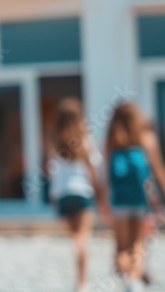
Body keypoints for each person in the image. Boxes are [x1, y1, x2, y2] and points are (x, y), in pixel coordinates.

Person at [46, 97, 110, 292]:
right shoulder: (85, 140)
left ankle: (75, 277)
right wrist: (101, 197)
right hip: (82, 192)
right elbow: (93, 171)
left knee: (74, 237)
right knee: (83, 239)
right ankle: (82, 283)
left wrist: (53, 197)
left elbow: (52, 172)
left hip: (64, 194)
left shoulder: (54, 141)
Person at [105, 102, 165, 291]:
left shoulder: (112, 141)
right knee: (138, 242)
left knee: (122, 245)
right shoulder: (146, 139)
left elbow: (107, 174)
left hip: (120, 199)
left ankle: (126, 278)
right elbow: (158, 170)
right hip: (141, 199)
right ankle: (135, 278)